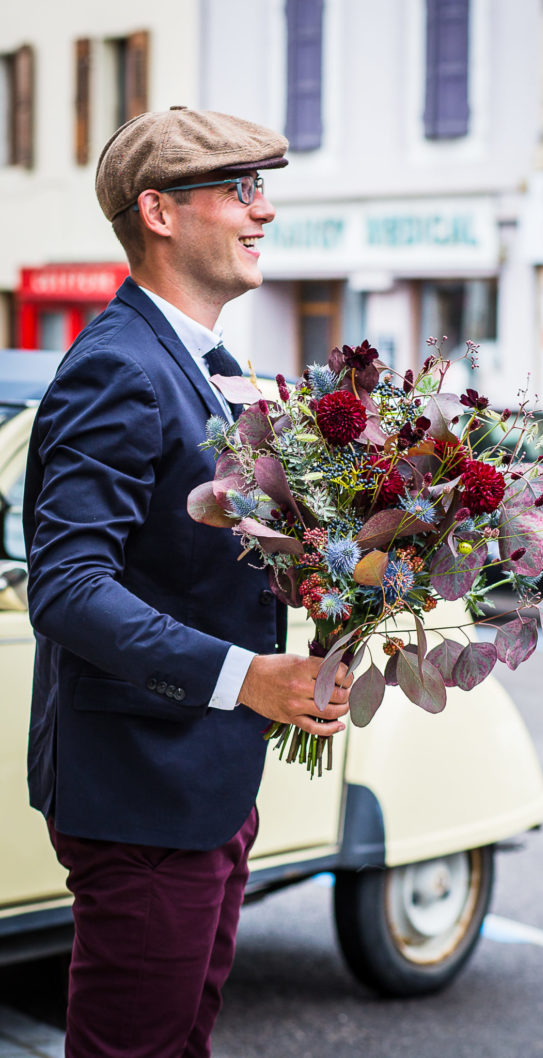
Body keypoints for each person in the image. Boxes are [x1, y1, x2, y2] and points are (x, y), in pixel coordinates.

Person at [23, 105, 351, 1058]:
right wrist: (247, 678)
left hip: (199, 779)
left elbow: (183, 557)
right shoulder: (120, 366)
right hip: (140, 793)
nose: (266, 212)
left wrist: (343, 580)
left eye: (265, 189)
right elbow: (71, 586)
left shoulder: (206, 364)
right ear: (159, 212)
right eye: (242, 190)